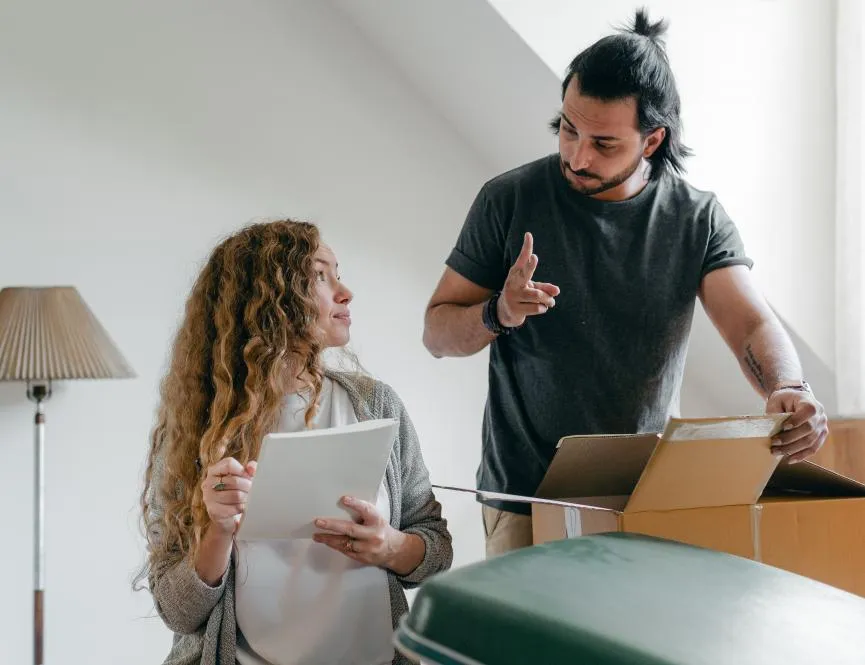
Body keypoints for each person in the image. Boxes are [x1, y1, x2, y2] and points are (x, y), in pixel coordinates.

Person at [422, 9, 828, 558]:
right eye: (568, 129)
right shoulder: (509, 199)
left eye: (604, 143)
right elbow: (437, 334)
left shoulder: (696, 218)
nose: (577, 156)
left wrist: (789, 387)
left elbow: (751, 321)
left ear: (653, 139)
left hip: (643, 494)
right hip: (523, 497)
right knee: (530, 647)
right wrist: (499, 312)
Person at [136, 220, 452, 665]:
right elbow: (178, 611)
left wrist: (389, 546)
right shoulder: (199, 429)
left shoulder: (375, 404)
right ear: (267, 300)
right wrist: (218, 530)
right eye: (320, 276)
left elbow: (436, 548)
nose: (345, 292)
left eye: (338, 272)